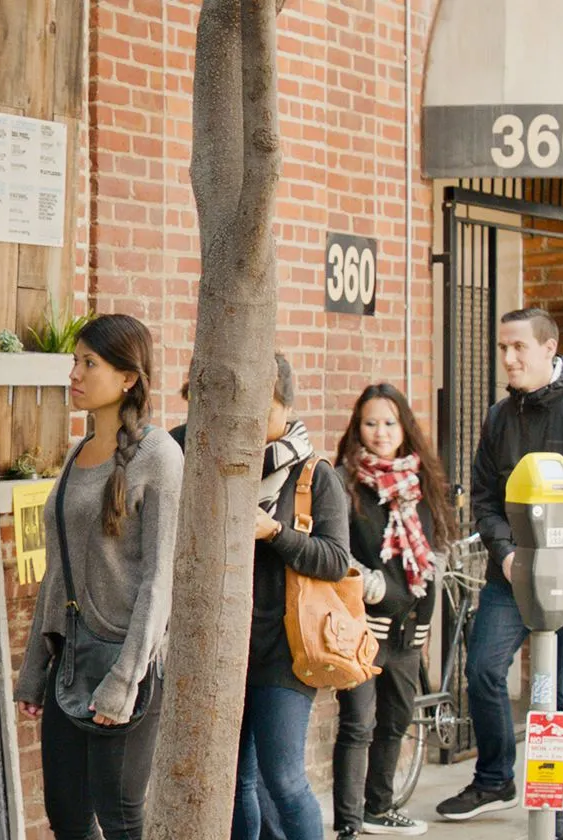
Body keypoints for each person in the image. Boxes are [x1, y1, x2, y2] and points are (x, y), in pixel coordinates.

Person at [436, 309, 563, 840]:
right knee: (485, 670)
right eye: (502, 348)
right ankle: (495, 779)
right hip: (510, 571)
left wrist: (546, 557)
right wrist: (509, 552)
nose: (509, 358)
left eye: (519, 347)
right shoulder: (499, 418)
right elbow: (486, 498)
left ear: (549, 347)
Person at [13, 314, 182, 840]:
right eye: (75, 361)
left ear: (128, 377)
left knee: (121, 817)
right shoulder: (75, 454)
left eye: (90, 363)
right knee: (66, 816)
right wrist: (35, 667)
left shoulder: (159, 456)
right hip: (69, 659)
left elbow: (159, 580)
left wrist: (124, 681)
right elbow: (56, 570)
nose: (75, 373)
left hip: (122, 662)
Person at [231, 353, 353, 840]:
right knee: (235, 780)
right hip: (226, 649)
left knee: (282, 778)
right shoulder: (223, 468)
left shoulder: (313, 475)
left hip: (284, 649)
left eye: (263, 411)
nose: (251, 423)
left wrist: (276, 532)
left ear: (285, 408)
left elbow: (335, 559)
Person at [331, 384, 455, 839]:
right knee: (358, 723)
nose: (380, 432)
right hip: (365, 627)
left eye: (389, 422)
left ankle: (378, 808)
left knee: (396, 721)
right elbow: (338, 552)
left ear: (404, 426)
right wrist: (376, 586)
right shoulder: (344, 483)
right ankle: (348, 820)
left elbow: (439, 540)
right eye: (370, 423)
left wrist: (429, 577)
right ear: (357, 428)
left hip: (411, 630)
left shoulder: (421, 482)